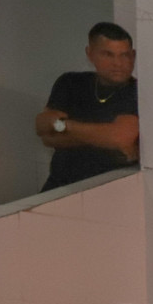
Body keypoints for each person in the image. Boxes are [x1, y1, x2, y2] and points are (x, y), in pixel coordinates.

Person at [35, 22, 138, 191]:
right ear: (90, 54)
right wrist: (103, 137)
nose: (118, 63)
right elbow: (45, 134)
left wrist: (62, 126)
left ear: (133, 56)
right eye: (108, 55)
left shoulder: (137, 91)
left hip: (111, 191)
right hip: (59, 187)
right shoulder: (70, 83)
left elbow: (119, 137)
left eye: (124, 55)